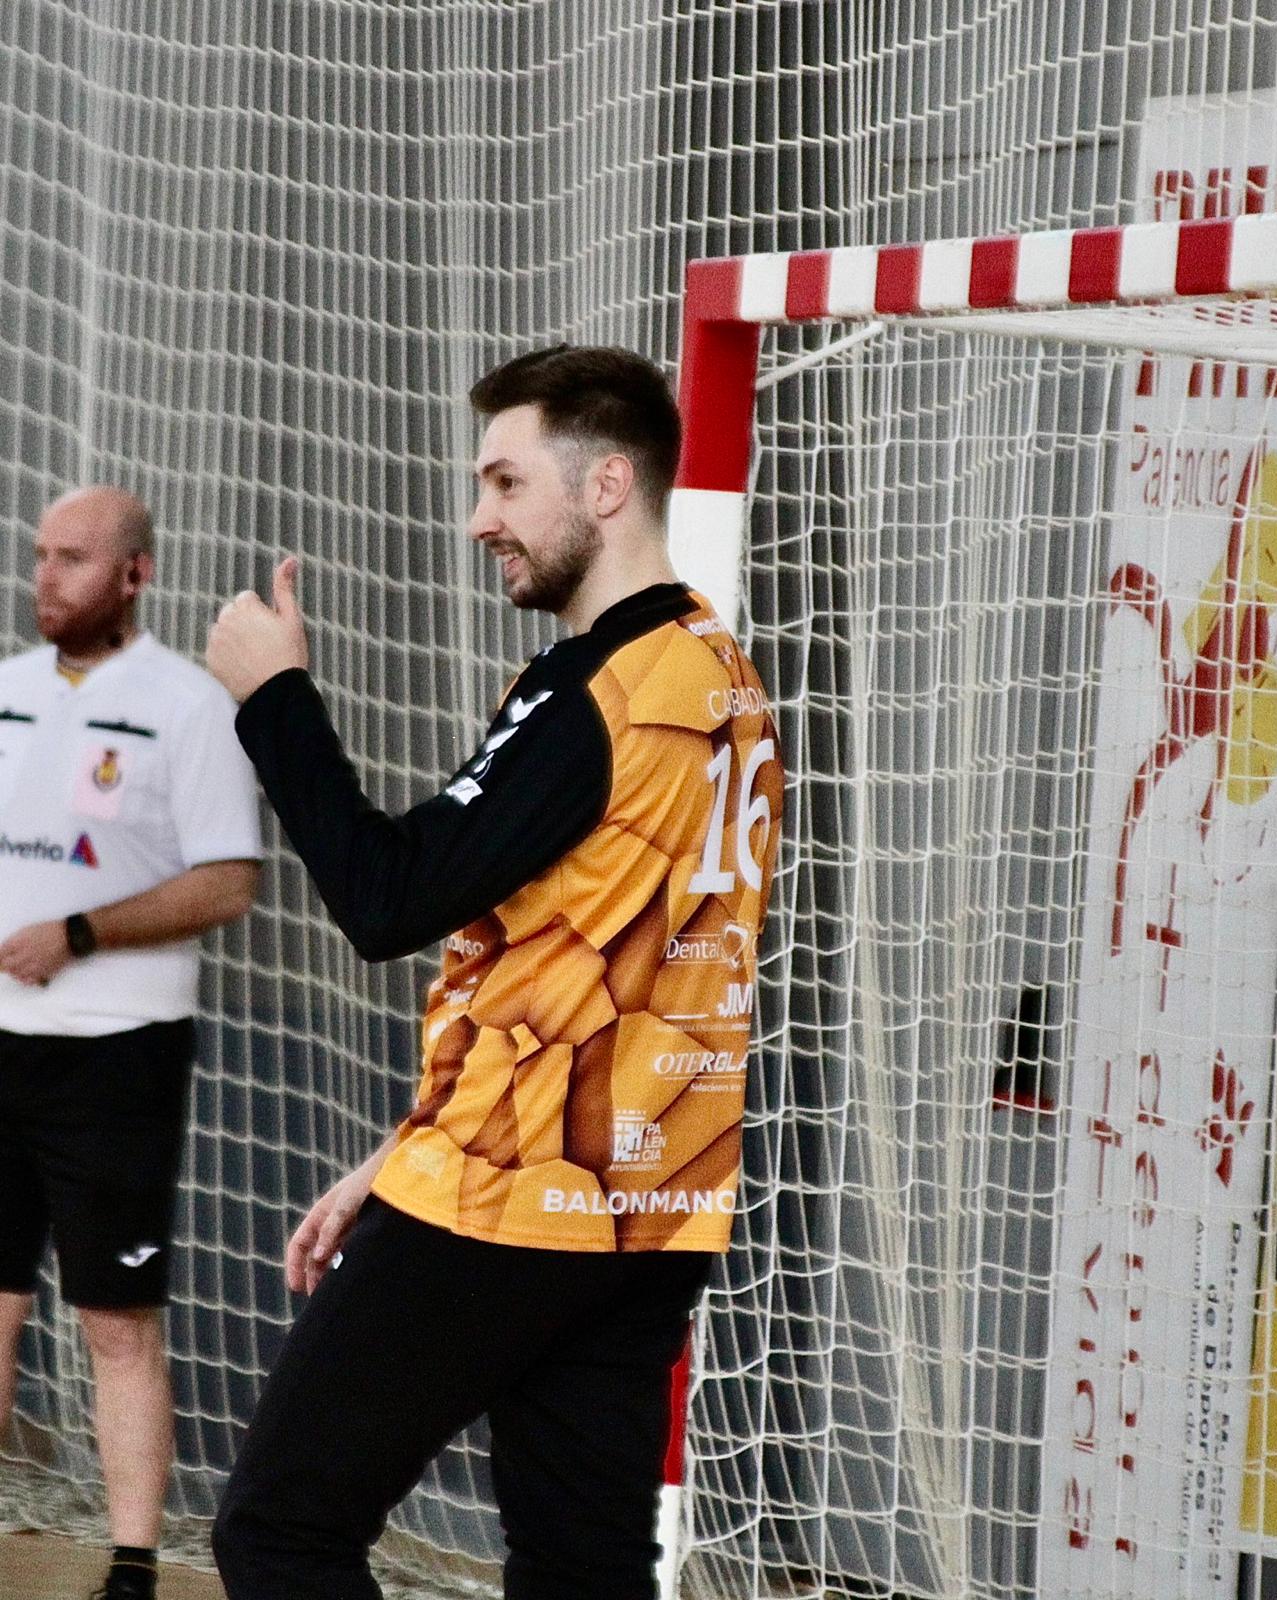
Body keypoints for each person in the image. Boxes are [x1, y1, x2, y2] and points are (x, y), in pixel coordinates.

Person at [205, 344, 783, 1600]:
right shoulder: (722, 673)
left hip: (515, 1196)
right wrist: (400, 1149)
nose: (480, 519)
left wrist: (273, 698)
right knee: (581, 1571)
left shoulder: (606, 691)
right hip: (649, 1205)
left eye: (506, 482)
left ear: (606, 484)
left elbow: (388, 897)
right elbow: (568, 953)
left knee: (278, 1530)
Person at [0, 486, 262, 1600]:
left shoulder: (188, 706)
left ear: (134, 575)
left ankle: (132, 1566)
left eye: (71, 558)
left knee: (113, 1321)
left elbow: (228, 882)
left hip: (116, 1055)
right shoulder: (8, 691)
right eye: (40, 555)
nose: (45, 576)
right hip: (1, 1043)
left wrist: (81, 931)